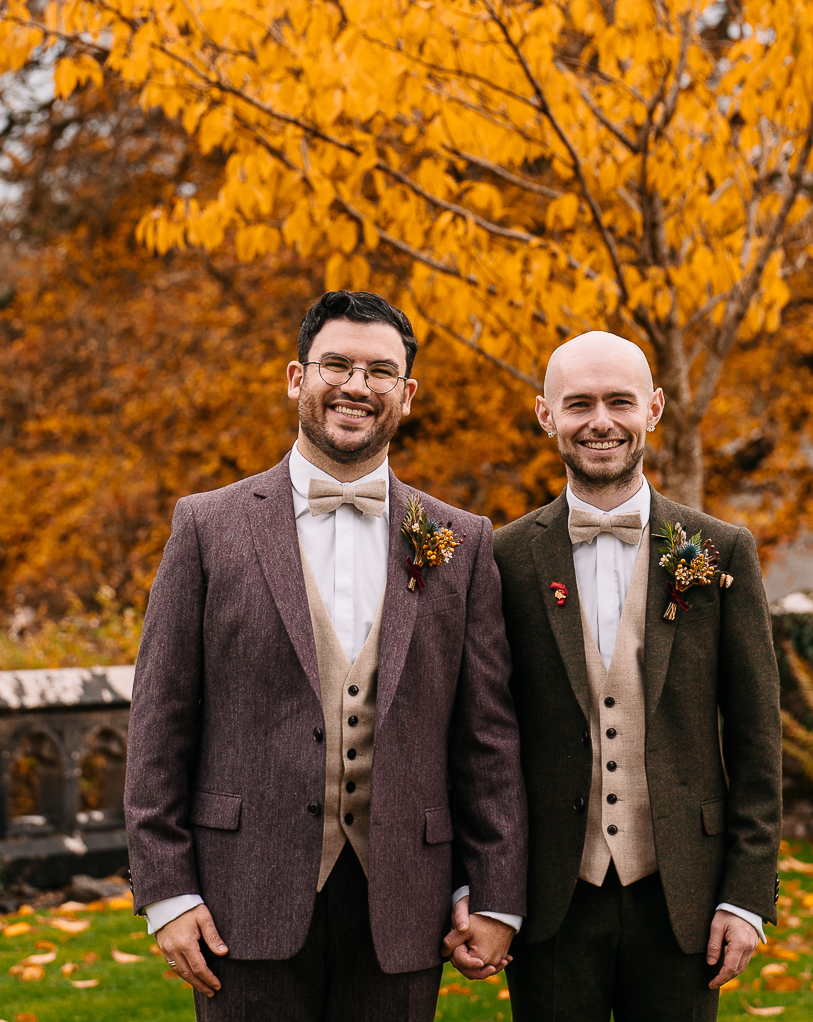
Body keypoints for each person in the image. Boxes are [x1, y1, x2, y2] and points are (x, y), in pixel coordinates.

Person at [126, 290, 526, 1020]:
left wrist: (494, 893)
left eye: (379, 372)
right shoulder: (207, 528)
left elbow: (488, 738)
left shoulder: (461, 542)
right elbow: (160, 723)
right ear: (295, 378)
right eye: (334, 364)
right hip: (238, 903)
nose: (354, 386)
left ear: (406, 393)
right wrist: (166, 892)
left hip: (408, 903)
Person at [494, 331, 781, 1020]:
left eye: (620, 401)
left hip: (684, 897)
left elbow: (757, 740)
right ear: (545, 415)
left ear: (653, 409)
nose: (601, 421)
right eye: (579, 404)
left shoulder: (719, 551)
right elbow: (482, 739)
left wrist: (745, 896)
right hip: (550, 899)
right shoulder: (501, 558)